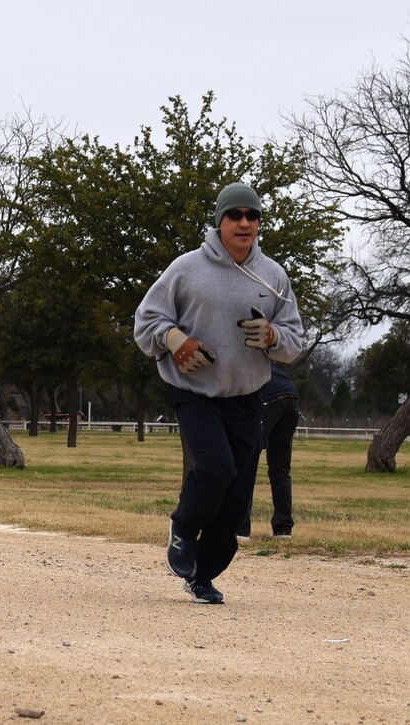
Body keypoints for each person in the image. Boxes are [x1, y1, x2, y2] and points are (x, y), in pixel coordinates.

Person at [134, 182, 303, 605]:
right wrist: (175, 340)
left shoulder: (274, 276)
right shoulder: (187, 268)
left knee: (236, 496)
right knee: (214, 470)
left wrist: (271, 335)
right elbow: (146, 321)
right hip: (192, 391)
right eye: (235, 215)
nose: (244, 223)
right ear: (219, 222)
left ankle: (203, 574)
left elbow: (295, 342)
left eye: (252, 215)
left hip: (247, 394)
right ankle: (183, 528)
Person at [238, 364, 299, 540]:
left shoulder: (238, 364)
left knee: (246, 466)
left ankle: (241, 530)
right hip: (291, 400)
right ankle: (283, 529)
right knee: (280, 470)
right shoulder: (265, 362)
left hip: (268, 401)